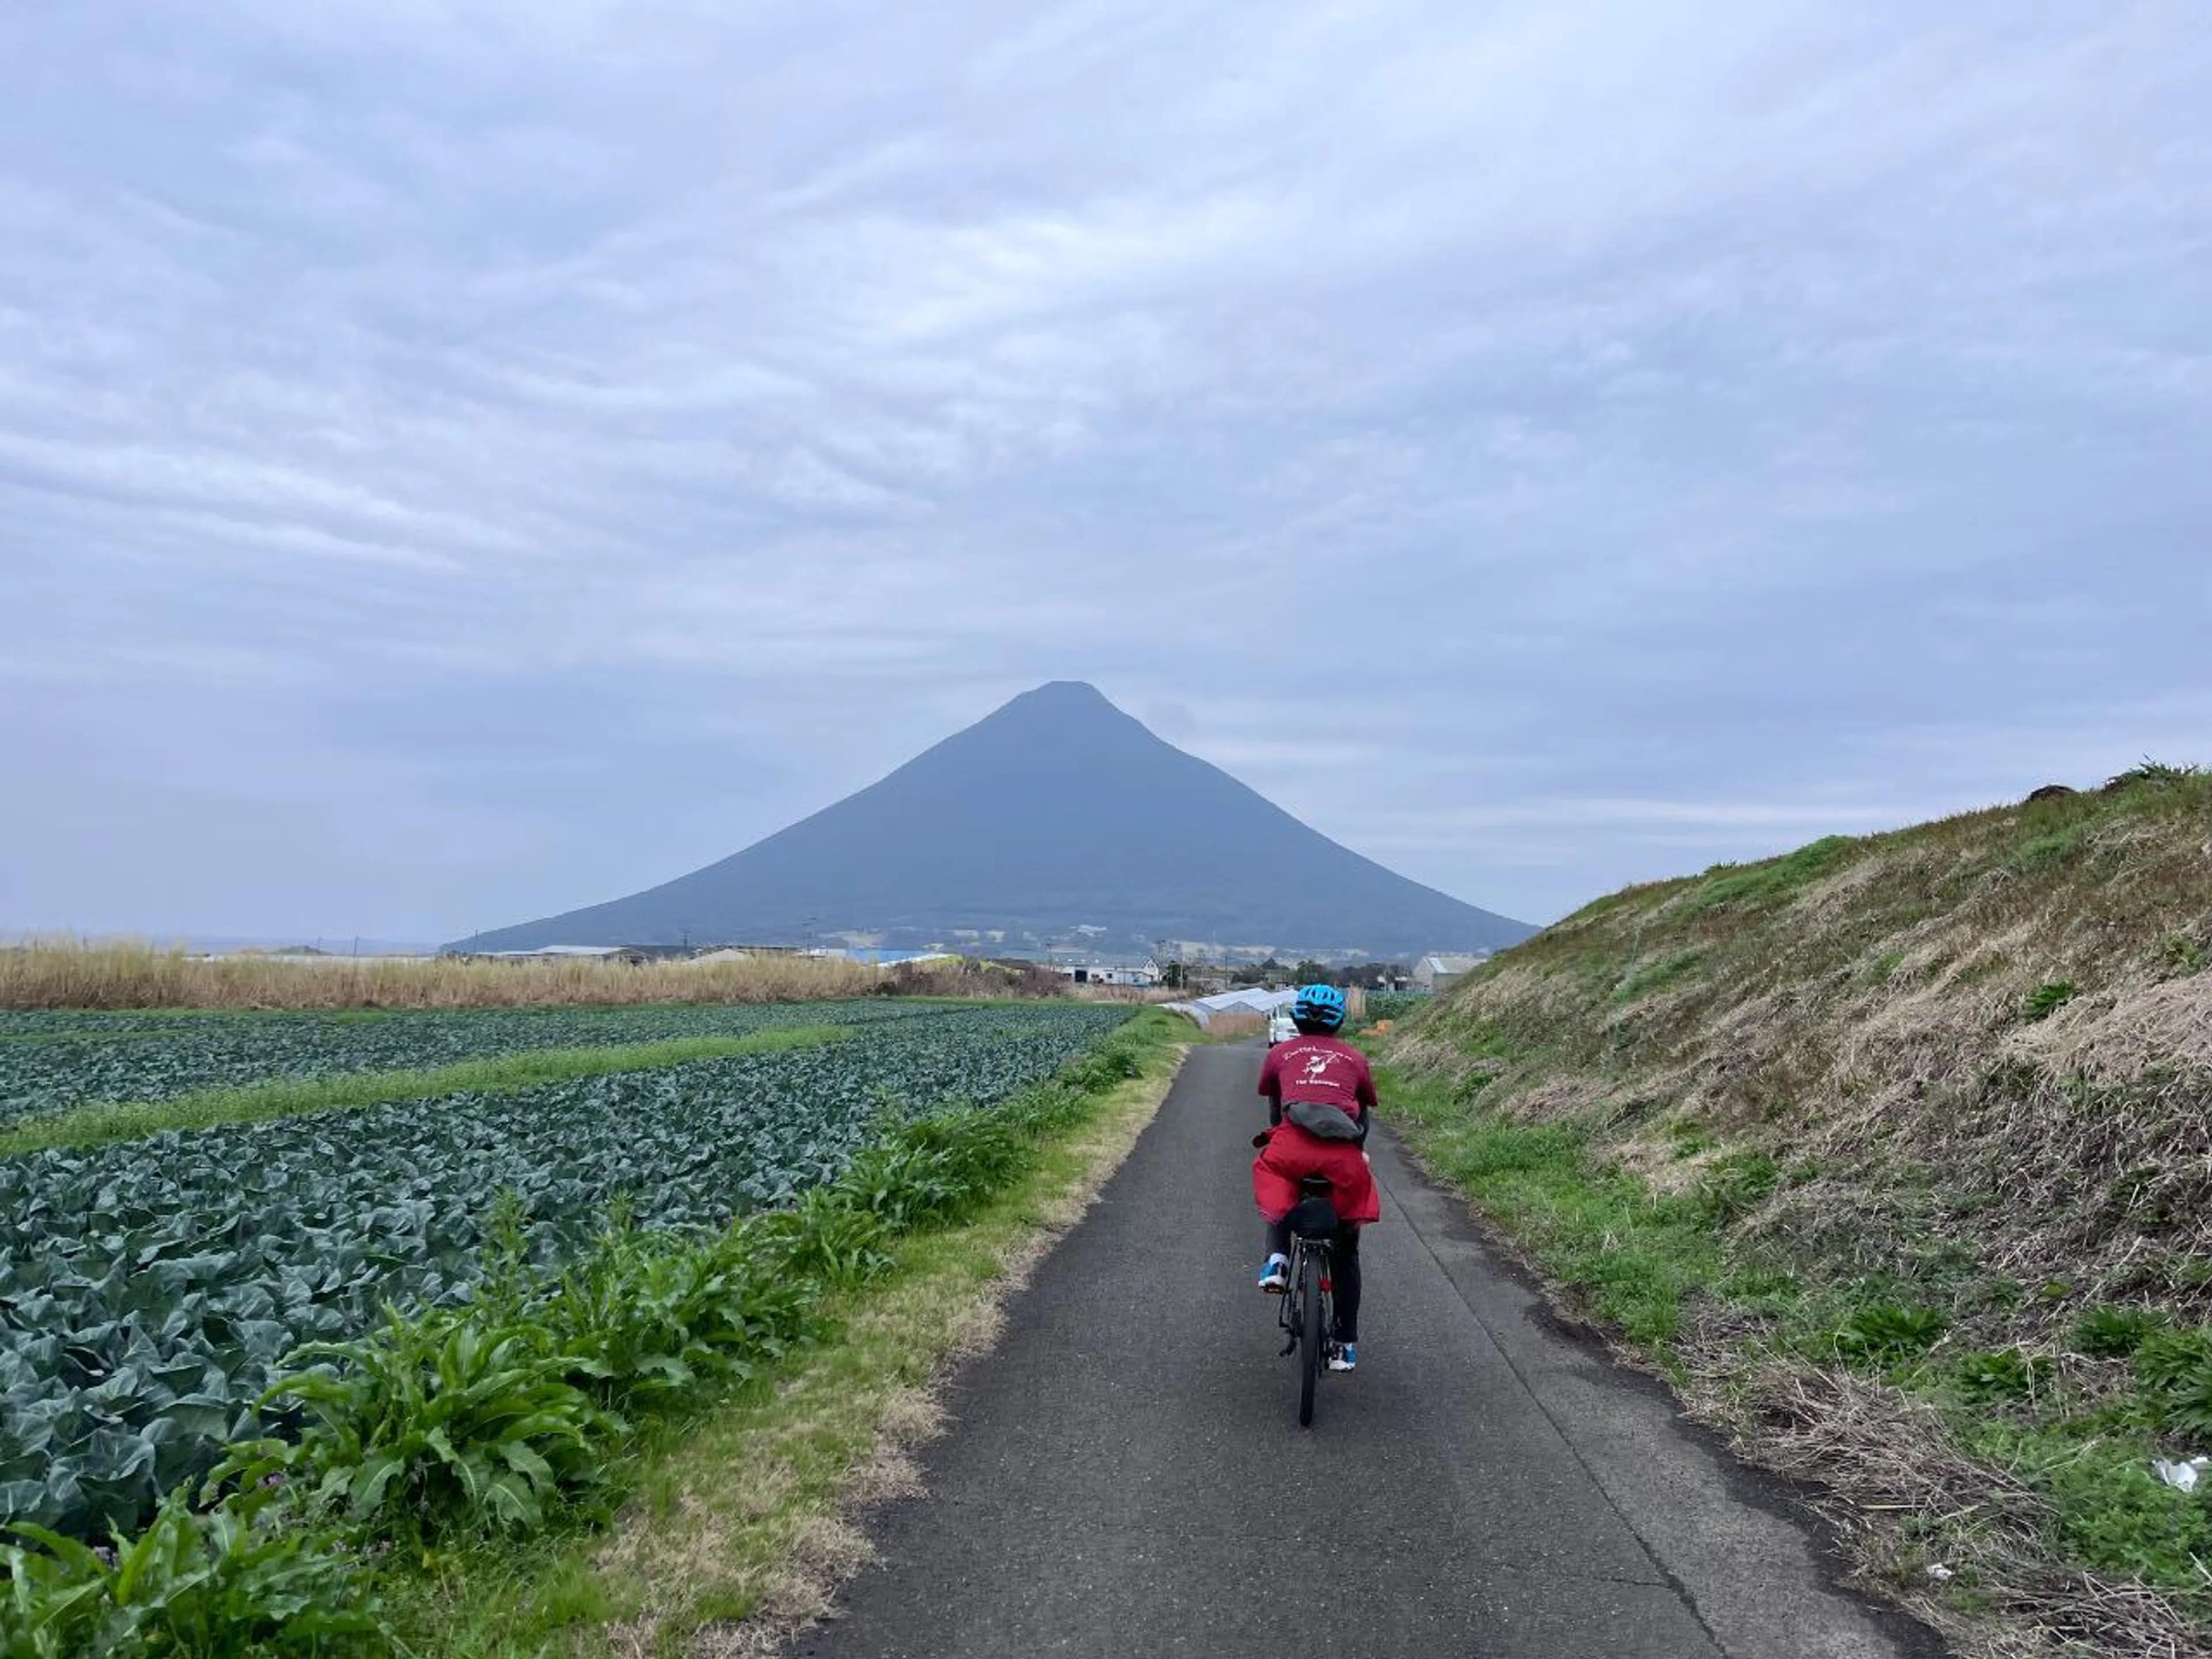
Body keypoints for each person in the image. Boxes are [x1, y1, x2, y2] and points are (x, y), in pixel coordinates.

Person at [1251, 983, 1380, 1372]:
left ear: (1297, 1018)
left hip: (1292, 1147)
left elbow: (1276, 1109)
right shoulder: (1355, 1058)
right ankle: (1344, 1344)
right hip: (1344, 1157)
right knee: (1346, 1248)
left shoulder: (1279, 1053)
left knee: (1277, 1188)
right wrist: (1358, 1150)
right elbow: (1363, 1112)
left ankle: (1277, 1260)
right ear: (1340, 1021)